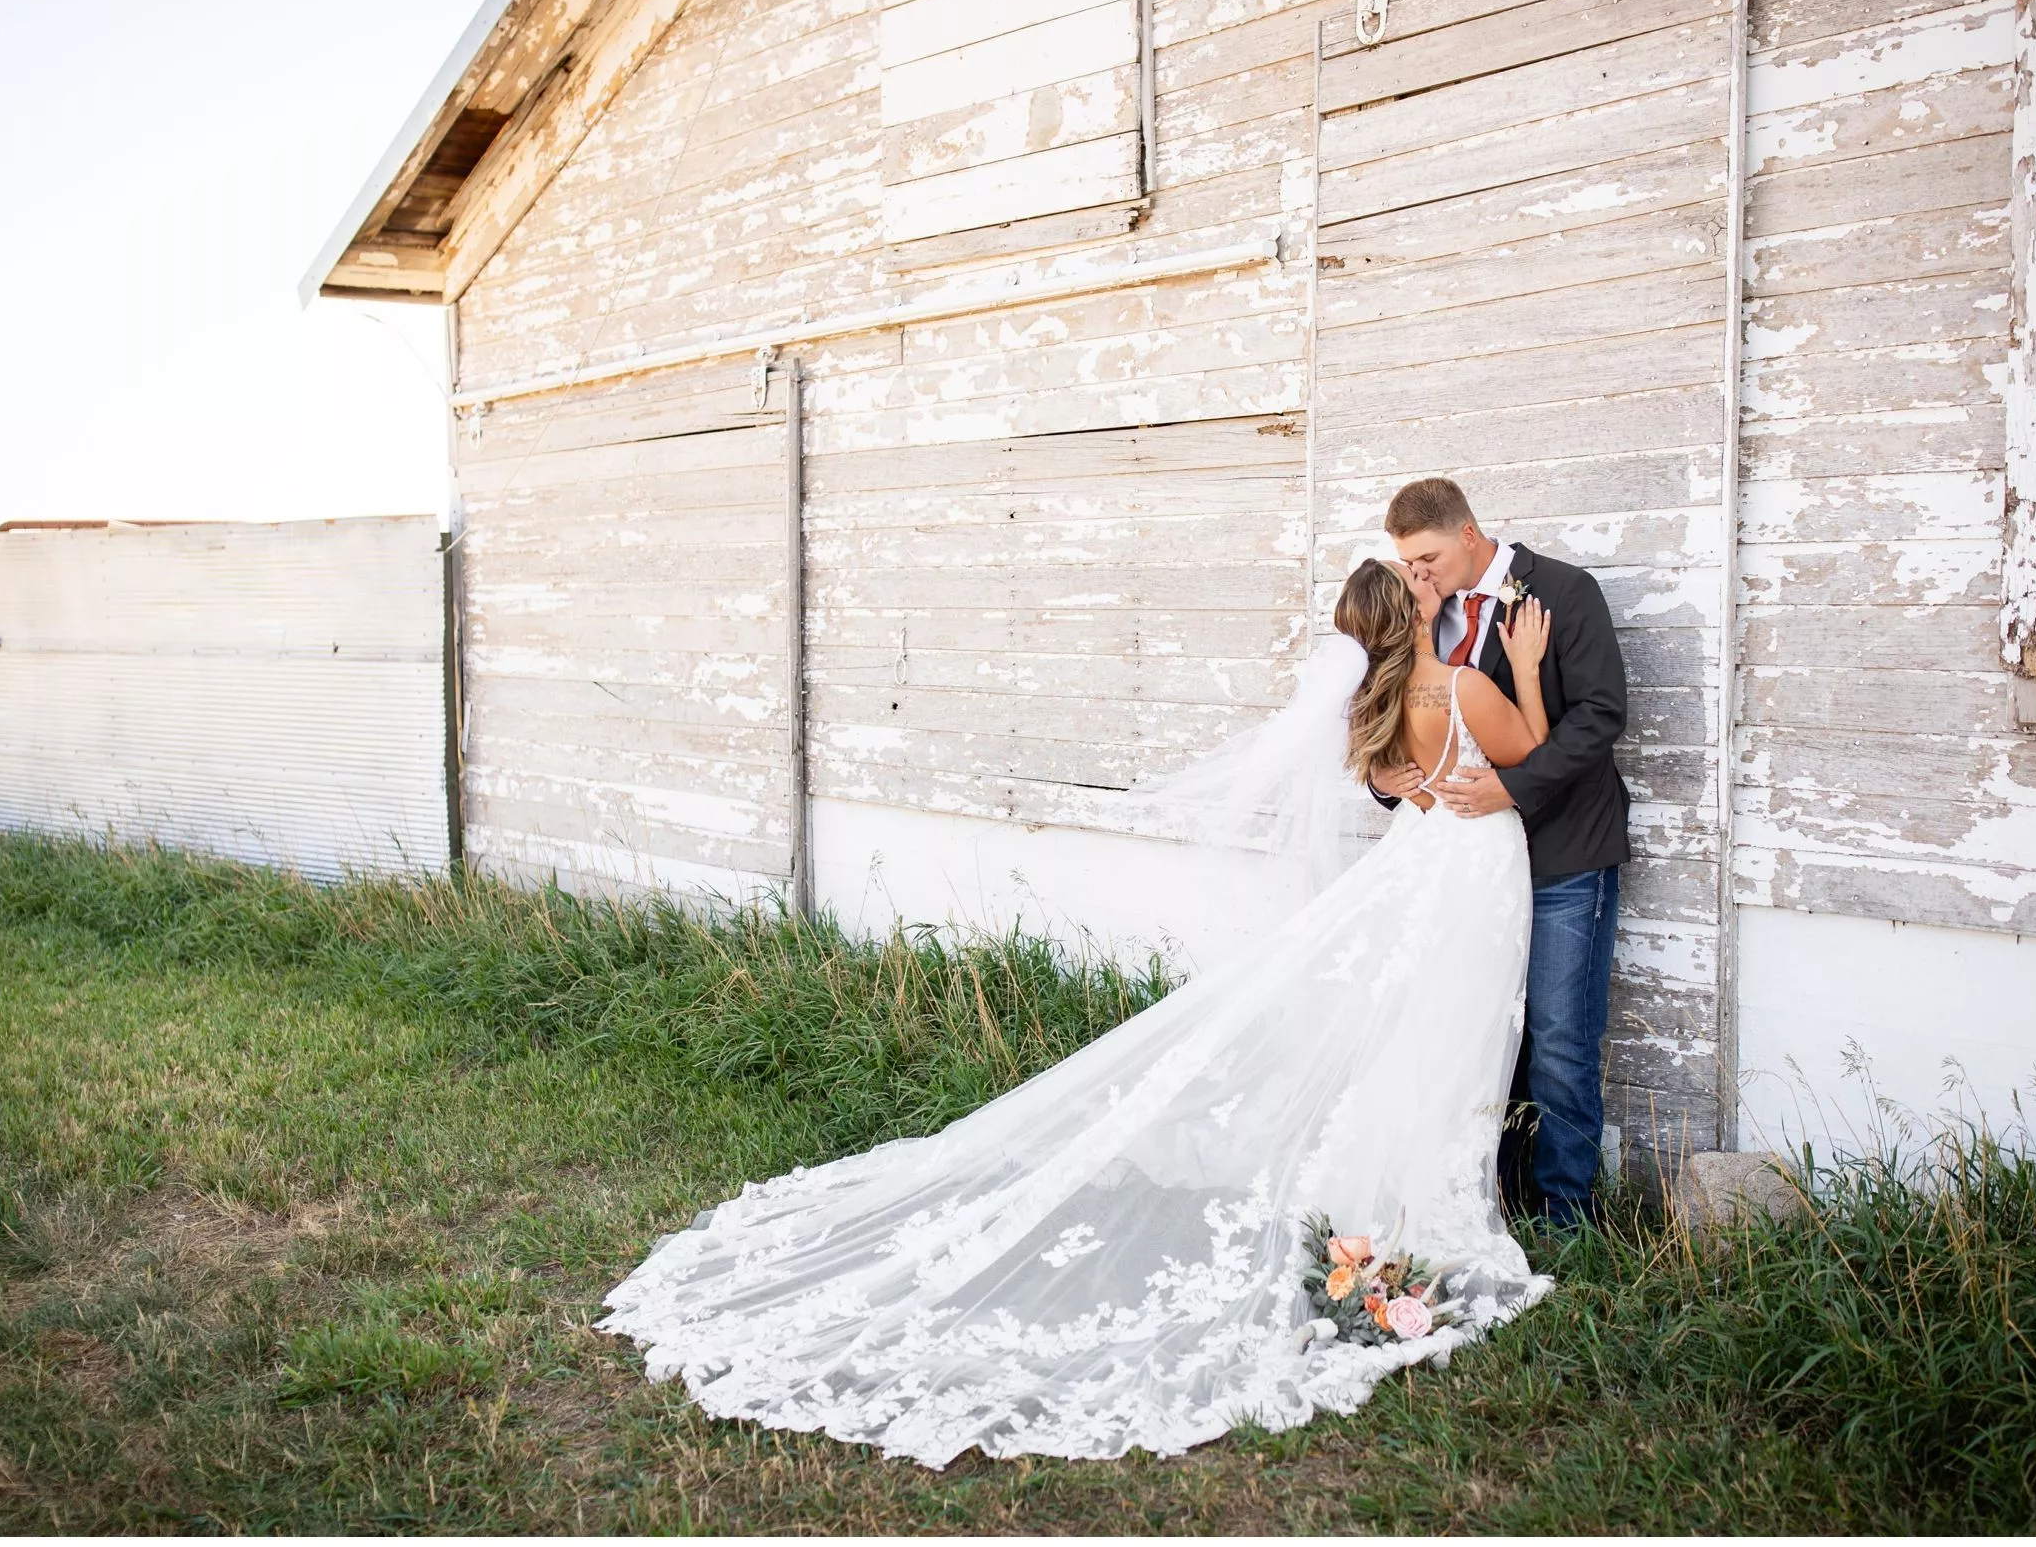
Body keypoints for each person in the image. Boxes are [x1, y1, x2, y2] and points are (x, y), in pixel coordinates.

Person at [596, 560, 1560, 1468]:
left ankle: (1381, 1210)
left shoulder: (1381, 712)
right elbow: (1536, 755)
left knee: (1412, 1040)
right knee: (1450, 1041)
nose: (1434, 584)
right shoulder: (1466, 688)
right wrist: (1522, 669)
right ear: (1415, 616)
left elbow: (1412, 787)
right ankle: (1411, 1211)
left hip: (1423, 872)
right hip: (1471, 882)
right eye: (1418, 581)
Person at [1365, 478, 1631, 1228]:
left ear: (1470, 534)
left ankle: (1568, 1217)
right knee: (1483, 1035)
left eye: (1428, 556)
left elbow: (1601, 715)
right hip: (1470, 873)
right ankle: (1497, 1200)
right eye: (1407, 562)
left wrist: (1511, 788)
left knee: (1557, 1040)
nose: (1419, 574)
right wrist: (1388, 783)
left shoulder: (1565, 592)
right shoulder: (1426, 616)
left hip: (1564, 861)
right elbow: (1414, 723)